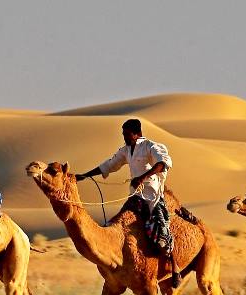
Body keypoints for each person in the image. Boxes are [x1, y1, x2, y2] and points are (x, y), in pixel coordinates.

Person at [74, 118, 180, 284]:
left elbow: (163, 163)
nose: (124, 137)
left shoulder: (151, 147)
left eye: (127, 134)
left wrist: (142, 177)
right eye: (123, 134)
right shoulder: (125, 150)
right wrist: (84, 176)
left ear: (137, 133)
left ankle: (174, 267)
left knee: (161, 229)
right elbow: (109, 165)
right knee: (117, 223)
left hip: (152, 195)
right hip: (135, 195)